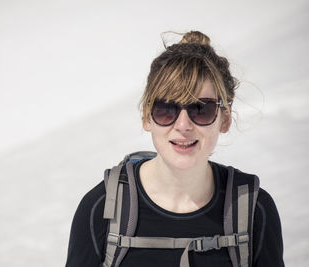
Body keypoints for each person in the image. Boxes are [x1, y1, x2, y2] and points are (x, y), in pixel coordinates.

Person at [65, 31, 284, 267]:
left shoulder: (253, 210)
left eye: (201, 109)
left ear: (225, 119)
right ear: (147, 118)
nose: (183, 126)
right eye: (166, 109)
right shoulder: (102, 208)